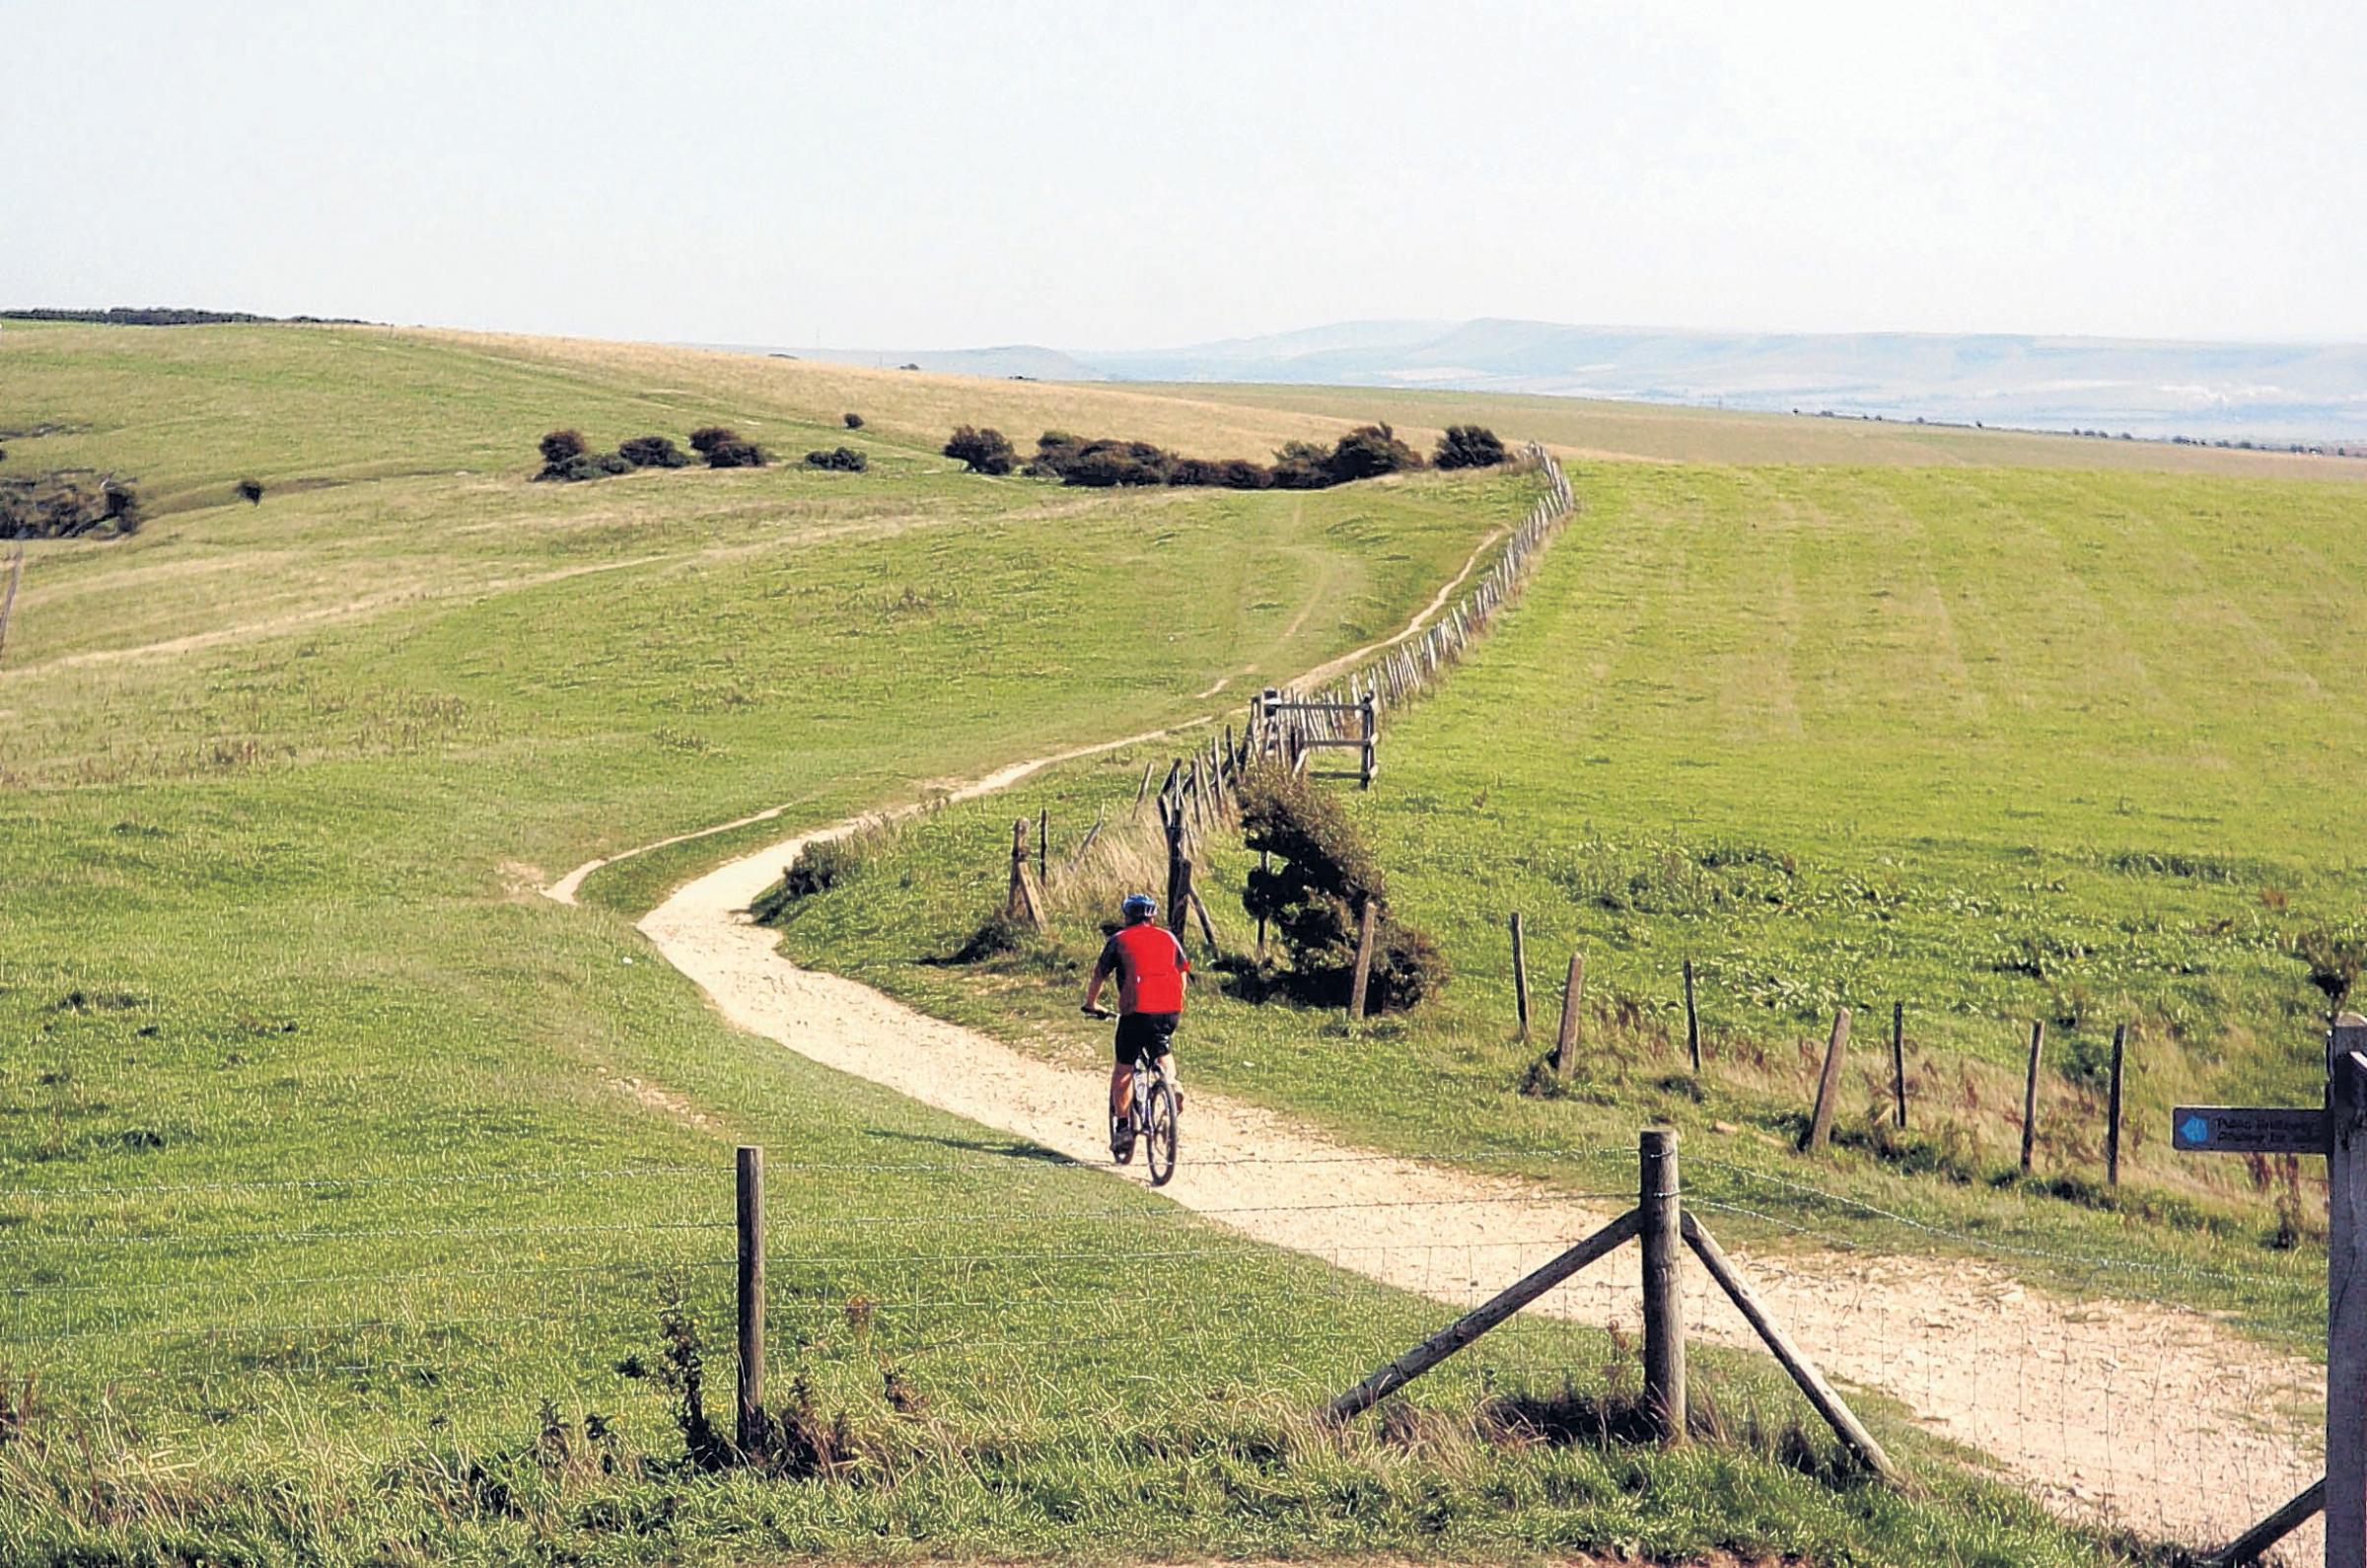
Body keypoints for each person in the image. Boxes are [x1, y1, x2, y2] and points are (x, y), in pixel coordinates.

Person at [1081, 892, 1186, 1158]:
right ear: (1152, 917)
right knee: (1162, 1050)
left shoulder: (1118, 940)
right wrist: (1174, 999)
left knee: (1124, 1069)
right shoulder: (1169, 938)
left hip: (1136, 1012)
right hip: (1169, 1010)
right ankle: (1171, 1084)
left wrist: (1091, 1004)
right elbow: (1182, 972)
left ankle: (1124, 1128)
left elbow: (1099, 975)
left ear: (1127, 916)